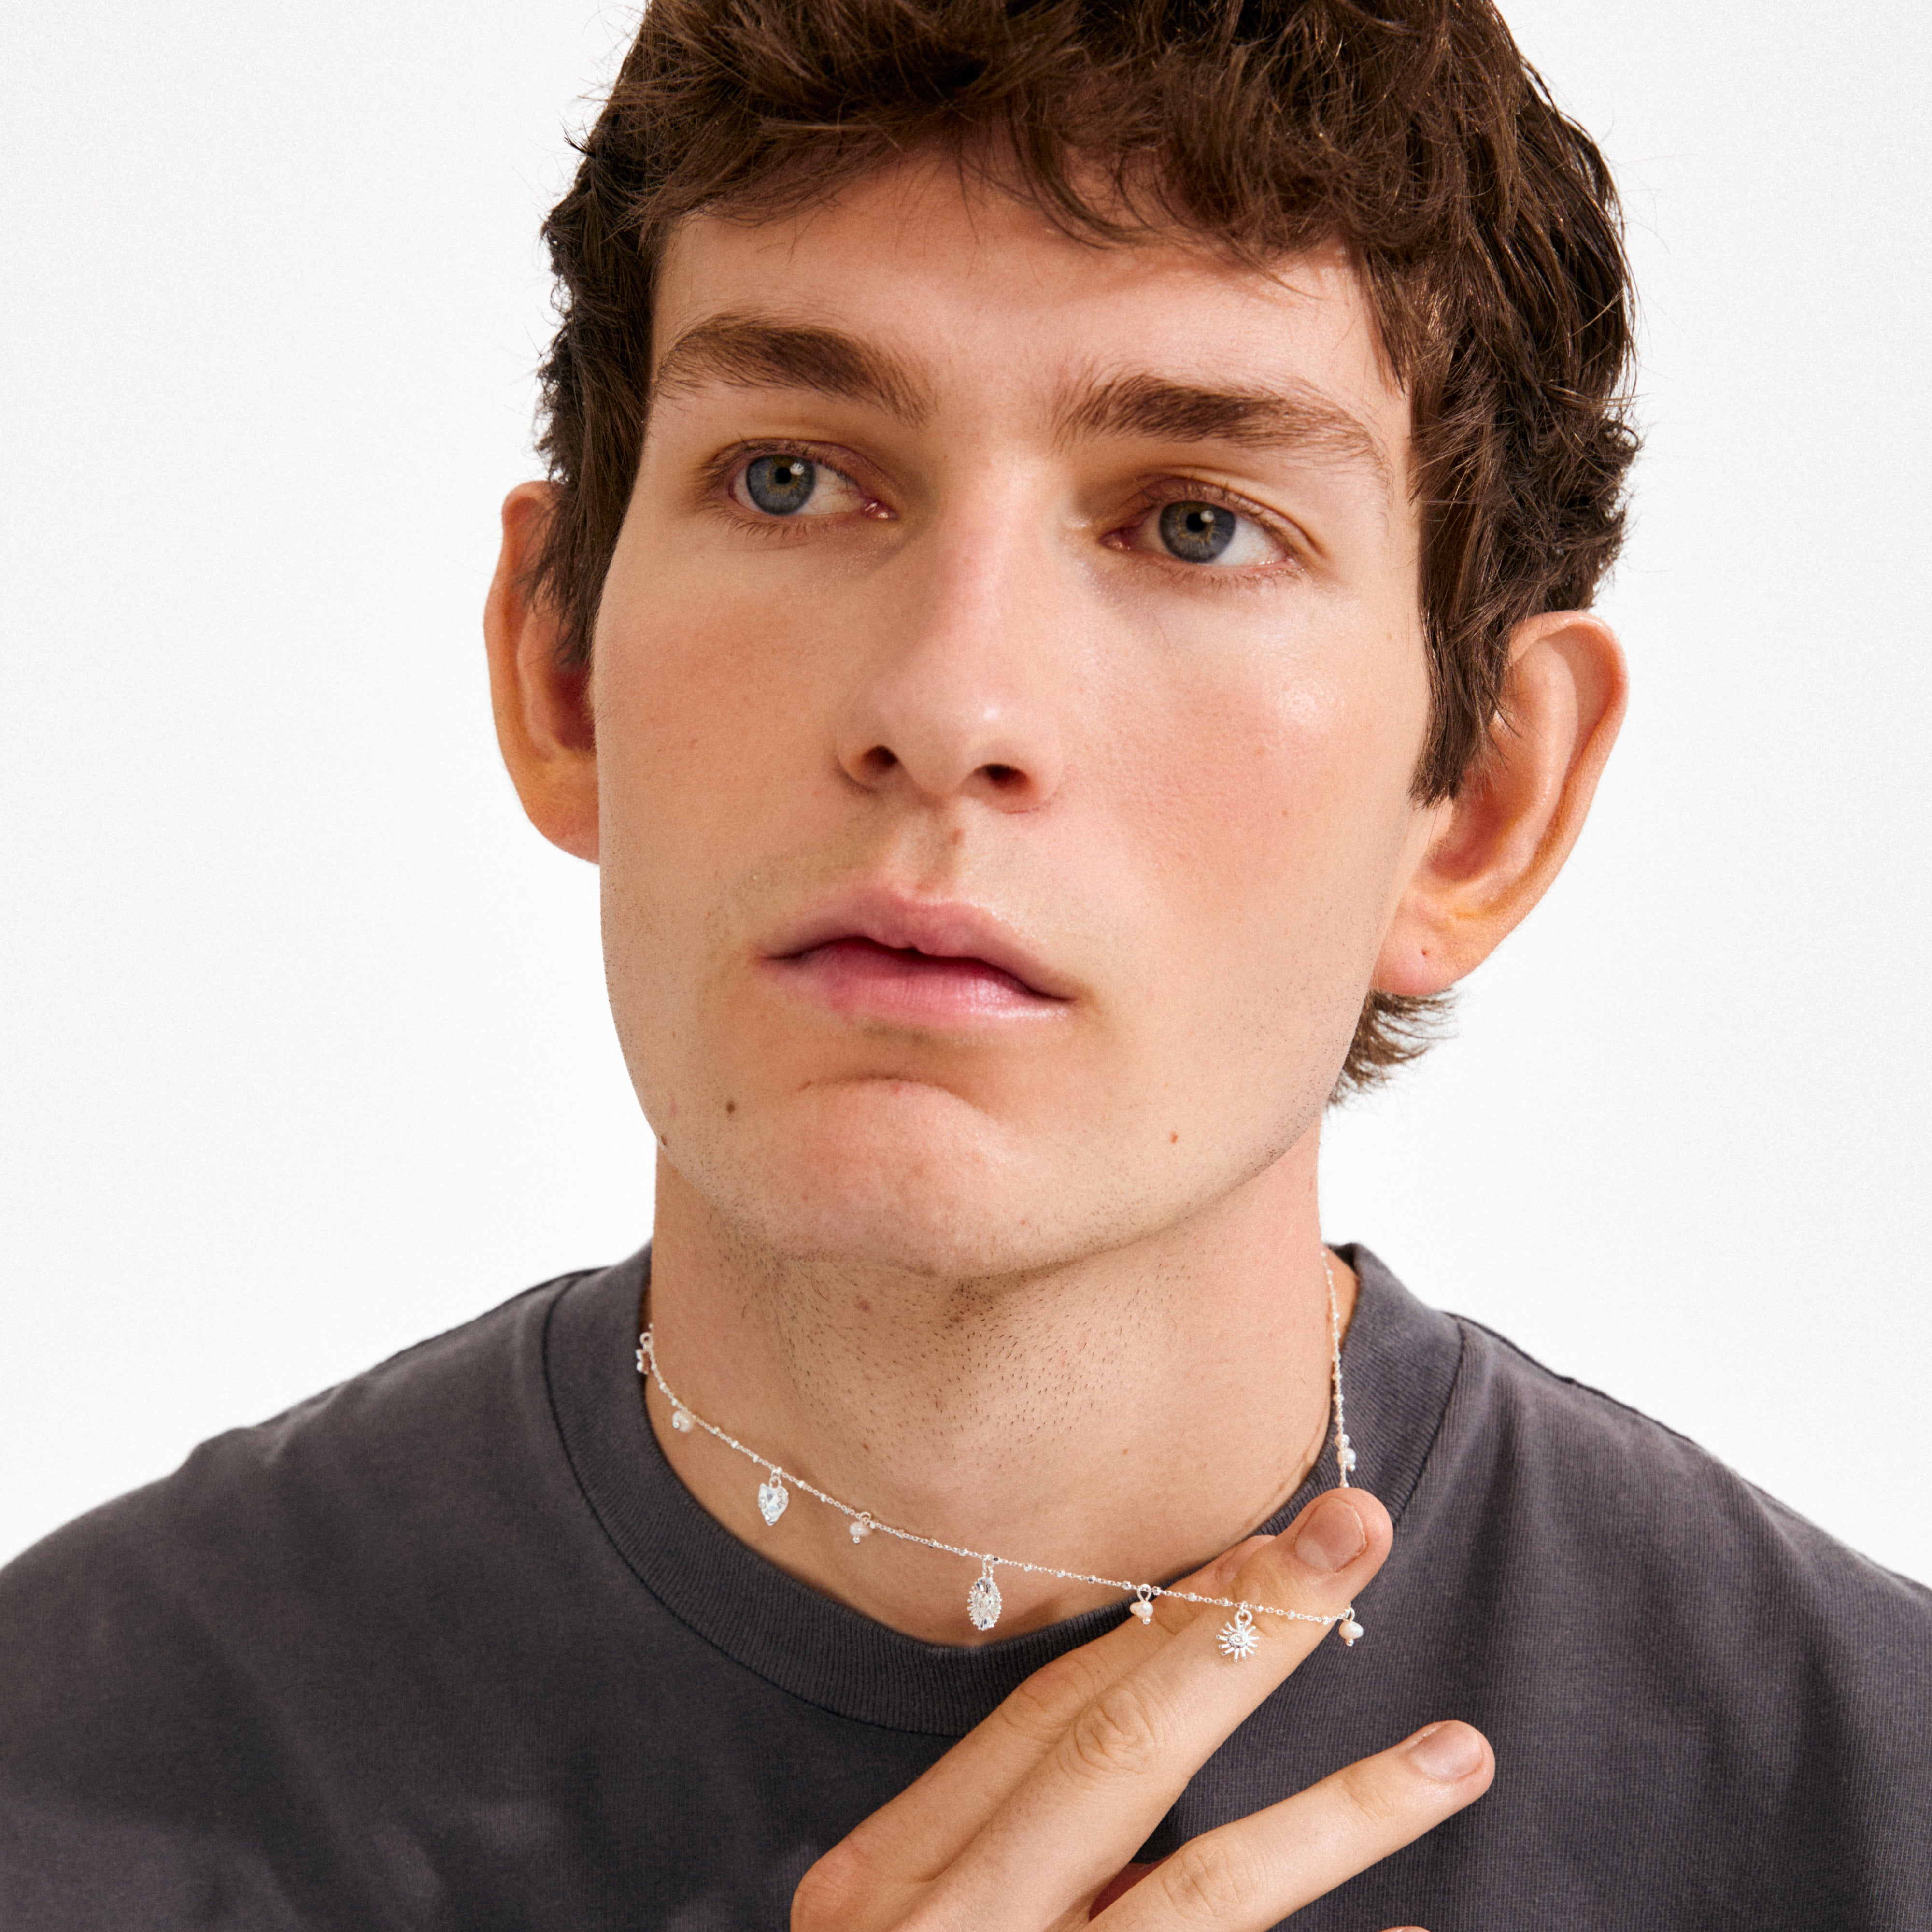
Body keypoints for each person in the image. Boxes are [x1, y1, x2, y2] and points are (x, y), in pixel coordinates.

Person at [2, 0, 1927, 1925]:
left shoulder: (1872, 1810)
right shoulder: (62, 1773)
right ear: (563, 669)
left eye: (1197, 526)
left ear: (1483, 802)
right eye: (790, 477)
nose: (948, 706)